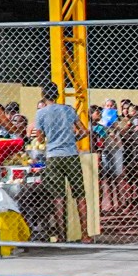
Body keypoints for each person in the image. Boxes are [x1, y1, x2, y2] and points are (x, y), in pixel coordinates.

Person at [30, 82, 91, 243]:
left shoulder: (41, 113)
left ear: (43, 95)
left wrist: (46, 138)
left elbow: (40, 138)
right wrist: (72, 139)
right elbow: (84, 131)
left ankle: (61, 235)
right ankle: (85, 234)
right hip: (71, 154)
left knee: (58, 197)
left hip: (53, 156)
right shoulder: (69, 110)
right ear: (57, 94)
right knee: (80, 195)